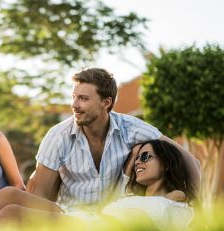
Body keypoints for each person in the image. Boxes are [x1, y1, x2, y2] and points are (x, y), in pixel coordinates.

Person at [29, 68, 200, 209]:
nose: (74, 105)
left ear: (106, 102)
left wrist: (198, 205)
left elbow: (190, 161)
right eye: (74, 97)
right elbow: (40, 197)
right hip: (71, 218)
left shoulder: (131, 128)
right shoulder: (58, 136)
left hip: (114, 223)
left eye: (83, 98)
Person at [0, 139, 195, 231]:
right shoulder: (131, 196)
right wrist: (131, 166)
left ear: (168, 165)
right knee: (10, 194)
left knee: (11, 214)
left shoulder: (176, 199)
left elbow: (182, 201)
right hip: (85, 220)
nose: (138, 162)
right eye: (136, 158)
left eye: (146, 157)